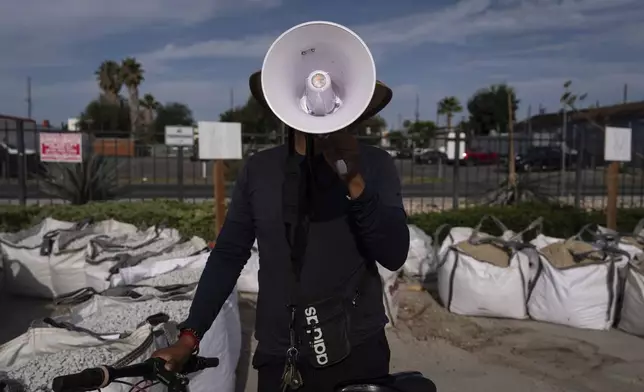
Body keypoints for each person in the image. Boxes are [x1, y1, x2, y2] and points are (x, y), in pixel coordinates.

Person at [152, 71, 410, 392]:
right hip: (280, 352)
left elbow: (394, 253)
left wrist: (354, 180)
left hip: (357, 348)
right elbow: (229, 254)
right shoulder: (260, 169)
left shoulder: (374, 163)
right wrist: (191, 336)